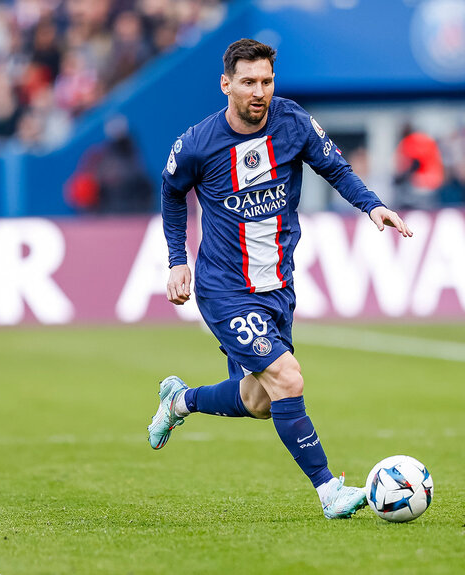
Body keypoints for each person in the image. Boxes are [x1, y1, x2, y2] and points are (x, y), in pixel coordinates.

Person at [148, 39, 412, 520]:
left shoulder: (292, 122)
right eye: (248, 82)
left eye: (266, 81)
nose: (259, 92)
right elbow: (170, 193)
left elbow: (335, 167)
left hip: (278, 287)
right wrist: (175, 259)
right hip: (224, 288)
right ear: (226, 84)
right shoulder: (198, 143)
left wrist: (373, 206)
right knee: (288, 378)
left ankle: (180, 401)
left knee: (259, 400)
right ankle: (329, 489)